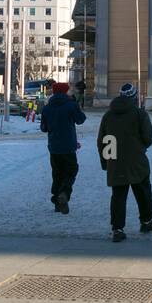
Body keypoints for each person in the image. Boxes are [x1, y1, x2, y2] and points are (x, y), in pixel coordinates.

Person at [97, 82, 152, 242]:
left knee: (118, 196)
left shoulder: (108, 115)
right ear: (134, 97)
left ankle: (117, 229)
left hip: (115, 161)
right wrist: (139, 148)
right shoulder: (139, 114)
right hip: (136, 162)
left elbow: (102, 140)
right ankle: (146, 221)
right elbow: (148, 138)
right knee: (143, 192)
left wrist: (106, 161)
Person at [39, 81, 86, 214]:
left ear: (53, 92)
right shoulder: (71, 105)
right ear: (65, 92)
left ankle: (57, 201)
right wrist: (76, 106)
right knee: (71, 171)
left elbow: (43, 128)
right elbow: (81, 119)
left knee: (57, 173)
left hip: (54, 146)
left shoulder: (47, 108)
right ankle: (64, 194)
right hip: (68, 146)